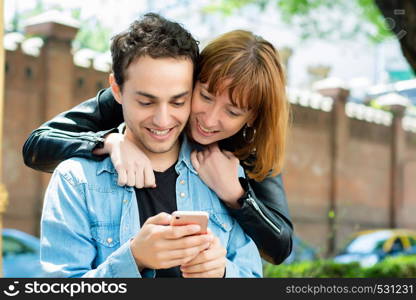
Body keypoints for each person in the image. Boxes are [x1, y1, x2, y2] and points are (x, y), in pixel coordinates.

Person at [24, 17, 293, 265]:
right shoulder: (138, 91)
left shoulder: (248, 152)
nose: (210, 120)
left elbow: (278, 247)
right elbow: (38, 144)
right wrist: (110, 141)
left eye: (232, 111)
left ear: (251, 117)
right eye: (206, 96)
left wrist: (236, 196)